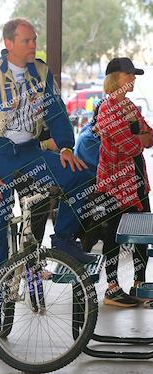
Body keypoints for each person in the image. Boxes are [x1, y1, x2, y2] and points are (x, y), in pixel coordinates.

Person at [0, 18, 97, 299]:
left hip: (31, 155)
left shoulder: (41, 71)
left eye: (35, 40)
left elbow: (56, 111)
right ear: (9, 43)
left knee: (80, 177)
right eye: (27, 41)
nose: (33, 46)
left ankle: (62, 240)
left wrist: (65, 147)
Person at [95, 57, 153, 307]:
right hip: (115, 183)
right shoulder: (107, 109)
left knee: (142, 231)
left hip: (136, 178)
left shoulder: (130, 106)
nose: (133, 78)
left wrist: (139, 136)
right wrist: (139, 136)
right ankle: (112, 288)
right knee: (113, 234)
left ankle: (139, 284)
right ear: (115, 78)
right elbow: (130, 145)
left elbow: (149, 138)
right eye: (129, 74)